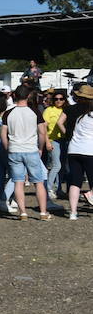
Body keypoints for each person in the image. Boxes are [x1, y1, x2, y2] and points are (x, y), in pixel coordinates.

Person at [2, 84, 50, 220]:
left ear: (14, 96)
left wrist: (7, 148)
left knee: (18, 182)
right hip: (30, 149)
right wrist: (41, 148)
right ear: (28, 96)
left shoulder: (8, 113)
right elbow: (42, 132)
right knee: (38, 182)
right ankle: (43, 212)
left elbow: (3, 134)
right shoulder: (35, 112)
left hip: (14, 149)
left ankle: (22, 213)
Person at [63, 84, 93, 220]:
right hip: (89, 151)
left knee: (75, 182)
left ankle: (73, 212)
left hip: (74, 150)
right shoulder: (90, 116)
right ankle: (90, 194)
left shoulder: (79, 118)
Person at [42, 89, 68, 200]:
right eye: (56, 99)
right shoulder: (49, 110)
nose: (58, 101)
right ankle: (48, 188)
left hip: (64, 140)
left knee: (62, 167)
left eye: (61, 99)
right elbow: (43, 127)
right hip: (53, 140)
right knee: (56, 165)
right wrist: (47, 141)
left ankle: (58, 189)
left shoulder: (66, 110)